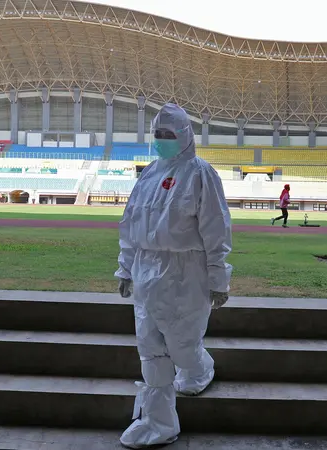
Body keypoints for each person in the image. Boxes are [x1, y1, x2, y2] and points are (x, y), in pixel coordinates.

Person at [114, 103, 233, 449]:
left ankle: (198, 369)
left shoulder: (201, 174)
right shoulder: (149, 173)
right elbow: (131, 224)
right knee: (150, 350)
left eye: (169, 135)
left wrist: (218, 279)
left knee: (181, 345)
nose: (162, 141)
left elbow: (216, 229)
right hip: (146, 272)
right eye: (158, 135)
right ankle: (158, 422)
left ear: (185, 136)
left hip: (185, 274)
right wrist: (126, 268)